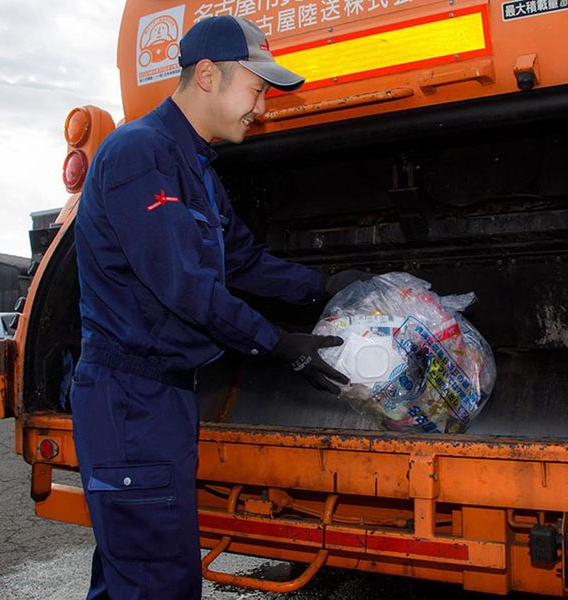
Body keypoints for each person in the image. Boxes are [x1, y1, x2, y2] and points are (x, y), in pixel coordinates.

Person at [71, 16, 369, 599]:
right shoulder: (140, 155)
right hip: (130, 399)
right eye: (256, 90)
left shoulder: (195, 169)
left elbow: (244, 260)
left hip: (162, 398)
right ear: (207, 75)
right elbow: (186, 288)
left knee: (132, 572)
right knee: (159, 582)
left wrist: (327, 285)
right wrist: (280, 346)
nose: (258, 108)